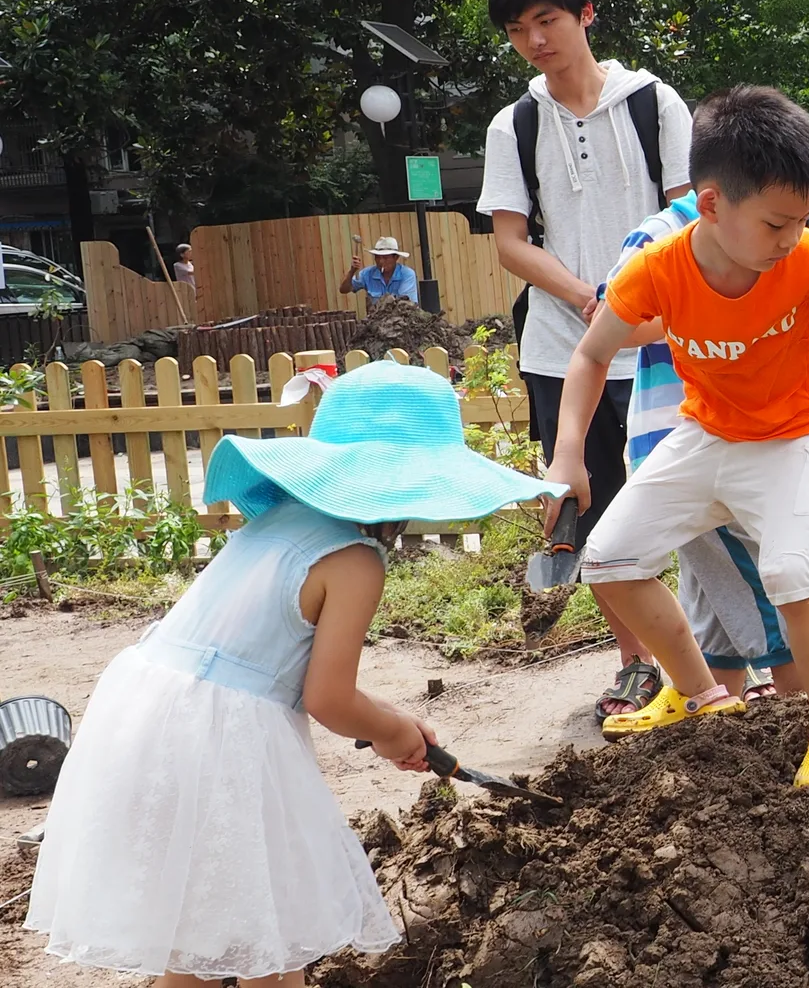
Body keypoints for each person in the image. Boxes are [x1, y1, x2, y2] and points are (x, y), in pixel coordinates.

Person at [25, 362, 561, 986]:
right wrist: (390, 733)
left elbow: (267, 661)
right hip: (219, 742)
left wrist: (390, 717)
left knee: (191, 938)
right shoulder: (357, 560)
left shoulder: (278, 520)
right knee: (273, 942)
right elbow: (327, 698)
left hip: (147, 716)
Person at [544, 87, 809, 789]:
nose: (792, 239)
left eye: (803, 222)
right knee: (609, 557)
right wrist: (568, 452)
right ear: (714, 204)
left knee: (790, 573)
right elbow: (594, 353)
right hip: (707, 434)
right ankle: (700, 693)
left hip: (797, 437)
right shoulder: (658, 268)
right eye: (778, 223)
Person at [478, 0, 693, 722]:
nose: (536, 40)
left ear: (586, 15)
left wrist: (635, 301)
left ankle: (703, 658)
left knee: (683, 505)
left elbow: (687, 213)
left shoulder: (653, 103)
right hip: (560, 351)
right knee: (591, 507)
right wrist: (590, 295)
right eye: (518, 29)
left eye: (548, 20)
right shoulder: (516, 123)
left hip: (663, 348)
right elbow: (510, 240)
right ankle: (635, 665)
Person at [613, 191, 809, 703]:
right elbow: (606, 316)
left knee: (752, 581)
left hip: (755, 436)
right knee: (735, 584)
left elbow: (776, 343)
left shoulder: (768, 235)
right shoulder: (660, 241)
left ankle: (781, 714)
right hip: (677, 431)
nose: (788, 236)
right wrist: (692, 314)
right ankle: (725, 705)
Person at [340, 237, 419, 303]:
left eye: (385, 258)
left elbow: (406, 306)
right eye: (377, 257)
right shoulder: (367, 274)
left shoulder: (407, 274)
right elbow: (344, 289)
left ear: (396, 258)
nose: (381, 261)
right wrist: (352, 271)